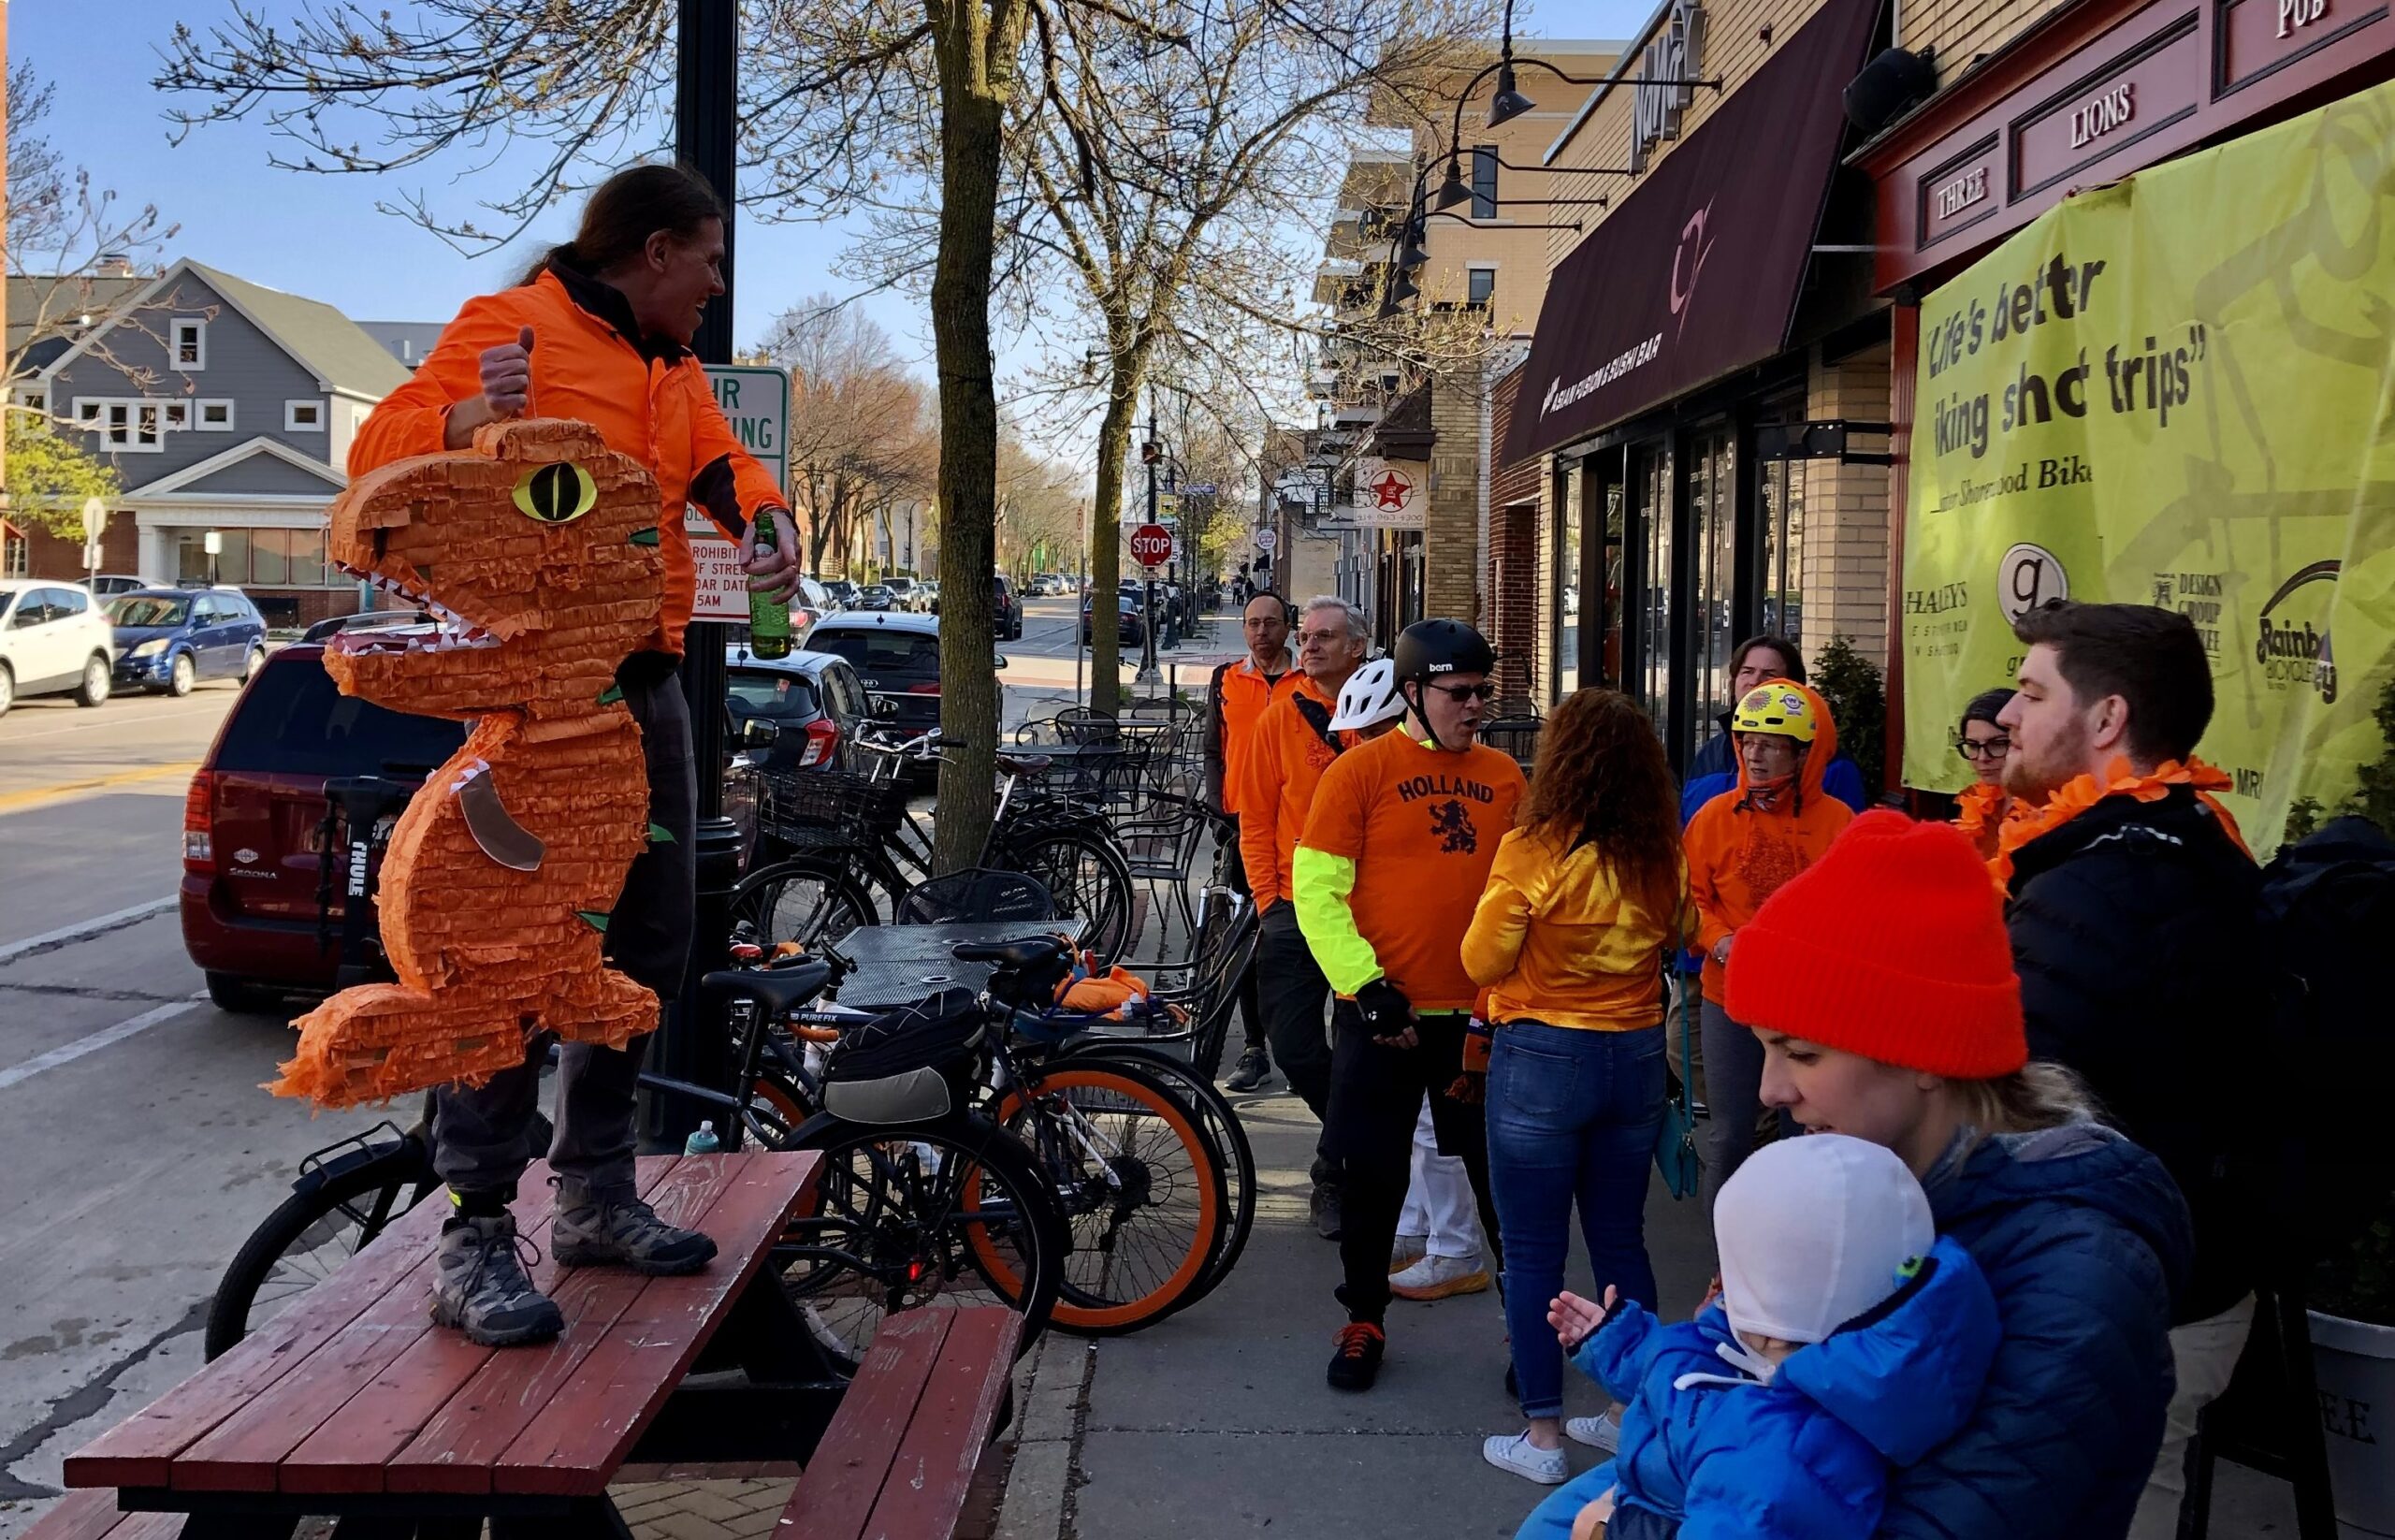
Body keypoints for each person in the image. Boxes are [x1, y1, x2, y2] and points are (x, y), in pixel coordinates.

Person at [351, 163, 801, 1346]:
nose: (715, 283)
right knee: (514, 955)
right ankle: (472, 1235)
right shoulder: (512, 325)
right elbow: (374, 451)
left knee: (645, 942)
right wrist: (466, 417)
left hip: (643, 686)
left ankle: (595, 1193)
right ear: (655, 251)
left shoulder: (671, 369)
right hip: (540, 697)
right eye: (708, 259)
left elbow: (725, 467)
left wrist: (769, 519)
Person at [1542, 808, 2190, 1540]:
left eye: (1803, 1053)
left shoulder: (2077, 1279)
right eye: (1765, 1049)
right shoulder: (1865, 1193)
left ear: (1923, 1053)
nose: (1771, 1090)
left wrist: (1622, 1528)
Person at [1992, 601, 2261, 1539]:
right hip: (2169, 1284)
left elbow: (2012, 1106)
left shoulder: (2104, 883)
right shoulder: (2197, 840)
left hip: (2122, 1307)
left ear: (2107, 718)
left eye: (2032, 694)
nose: (2007, 717)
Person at [1537, 1134, 2001, 1538]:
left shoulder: (1777, 1461)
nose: (1720, 1285)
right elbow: (1689, 1373)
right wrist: (1616, 1341)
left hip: (1649, 1514)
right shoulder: (1769, 1358)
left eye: (1735, 1272)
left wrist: (1613, 1530)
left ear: (1774, 1317)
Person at [1463, 690, 1691, 1484]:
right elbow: (1685, 932)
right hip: (1635, 1057)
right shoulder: (1660, 853)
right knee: (1621, 1238)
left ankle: (1543, 1436)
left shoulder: (1534, 848)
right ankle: (1632, 1413)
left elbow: (1481, 960)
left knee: (1533, 1251)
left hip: (1543, 1055)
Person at [1294, 618, 1526, 1391]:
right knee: (1372, 1179)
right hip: (1384, 1017)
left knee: (1500, 1181)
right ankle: (1363, 1317)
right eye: (1461, 693)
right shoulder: (1359, 773)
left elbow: (1529, 892)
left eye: (1482, 691)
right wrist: (1365, 987)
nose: (1476, 706)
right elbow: (1317, 893)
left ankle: (1527, 1331)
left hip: (1478, 1018)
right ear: (1415, 693)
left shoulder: (1506, 778)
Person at [1682, 680, 1852, 1215]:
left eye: (1771, 745)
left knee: (1805, 1131)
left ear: (1803, 754)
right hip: (1729, 997)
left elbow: (1855, 907)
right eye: (1747, 741)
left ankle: (1800, 1240)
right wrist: (1719, 940)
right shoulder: (1714, 817)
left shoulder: (1839, 823)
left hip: (1807, 1003)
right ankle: (1725, 1256)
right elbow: (1688, 899)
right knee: (1730, 1134)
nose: (1754, 755)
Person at [1236, 596, 1372, 1236]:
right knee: (1292, 1045)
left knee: (1360, 1047)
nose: (1309, 646)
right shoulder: (1280, 719)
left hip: (1365, 910)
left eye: (1326, 637)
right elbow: (1255, 816)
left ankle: (1335, 1173)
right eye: (1307, 636)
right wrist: (1268, 901)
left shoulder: (1384, 717)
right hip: (1293, 907)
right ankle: (1350, 1140)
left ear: (1357, 648)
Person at [1204, 593, 1301, 1094]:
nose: (1261, 632)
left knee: (1303, 941)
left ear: (1288, 627)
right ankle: (1254, 1047)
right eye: (1252, 623)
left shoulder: (1310, 682)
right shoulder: (1226, 680)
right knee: (1247, 943)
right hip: (1244, 829)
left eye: (1270, 623)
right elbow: (1212, 750)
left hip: (1301, 830)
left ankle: (1305, 1047)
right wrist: (1218, 809)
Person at [1680, 637, 1867, 818]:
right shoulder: (1712, 753)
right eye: (1747, 671)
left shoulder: (1831, 765)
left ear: (1792, 687)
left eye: (1769, 674)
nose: (1755, 681)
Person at [1951, 688, 2017, 859]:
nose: (1982, 758)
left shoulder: (2048, 808)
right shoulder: (1973, 801)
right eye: (1973, 745)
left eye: (1998, 744)